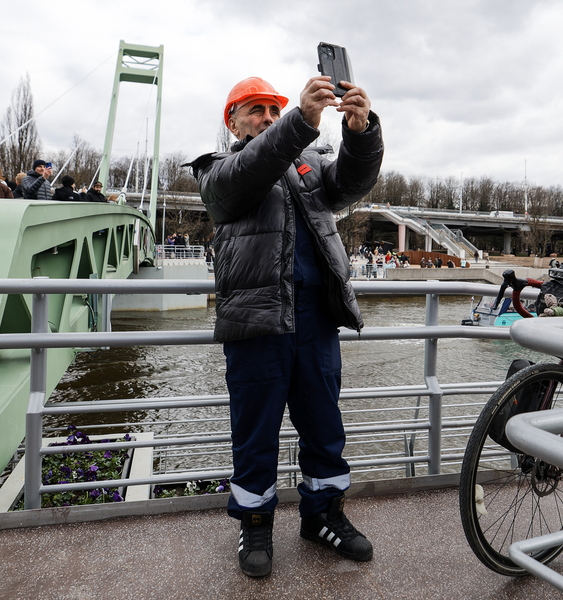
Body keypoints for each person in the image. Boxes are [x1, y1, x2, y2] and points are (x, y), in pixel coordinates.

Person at [187, 74, 382, 578]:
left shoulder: (307, 162)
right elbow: (251, 171)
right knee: (255, 434)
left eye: (275, 111)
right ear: (232, 122)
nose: (268, 119)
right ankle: (254, 523)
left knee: (324, 426)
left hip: (315, 318)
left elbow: (348, 187)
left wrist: (361, 134)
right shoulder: (218, 169)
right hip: (256, 321)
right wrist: (300, 122)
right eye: (256, 110)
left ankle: (323, 516)